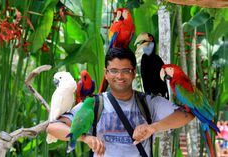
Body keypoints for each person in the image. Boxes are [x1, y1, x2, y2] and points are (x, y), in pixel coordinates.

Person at [46, 47, 194, 157]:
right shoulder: (94, 104)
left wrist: (153, 127)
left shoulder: (149, 102)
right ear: (106, 73)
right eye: (114, 71)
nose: (120, 76)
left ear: (134, 73)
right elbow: (53, 128)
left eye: (126, 70)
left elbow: (187, 115)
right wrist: (85, 138)